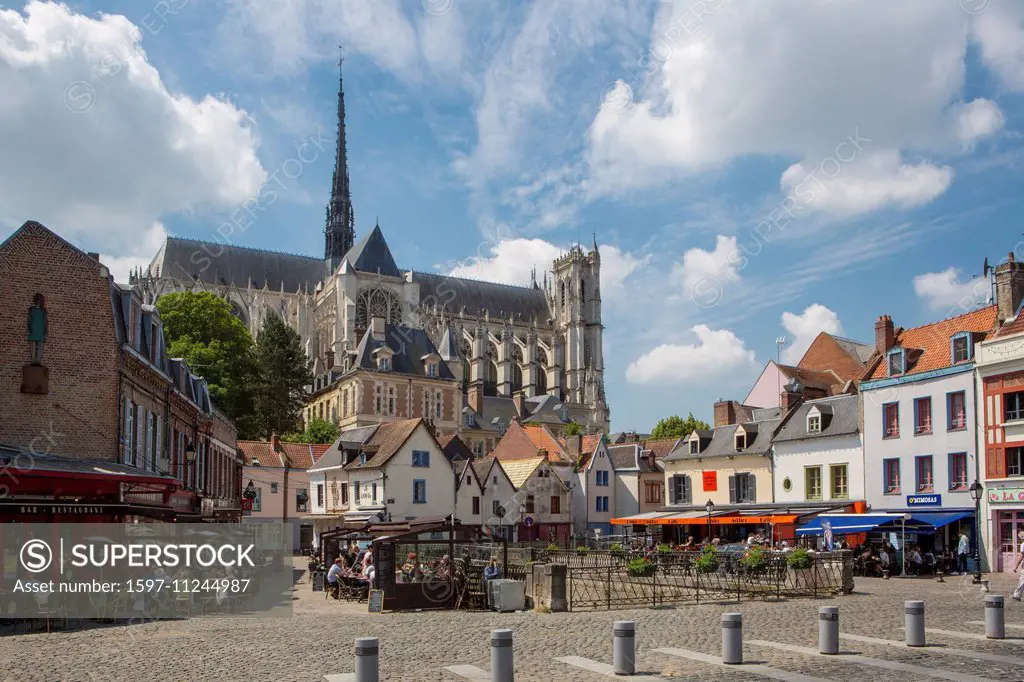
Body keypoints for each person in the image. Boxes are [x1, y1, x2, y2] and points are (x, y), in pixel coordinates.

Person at [1012, 531, 1024, 601]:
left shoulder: (1023, 544)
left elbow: (1021, 556)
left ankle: (1017, 595)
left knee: (1022, 580)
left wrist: (1016, 567)